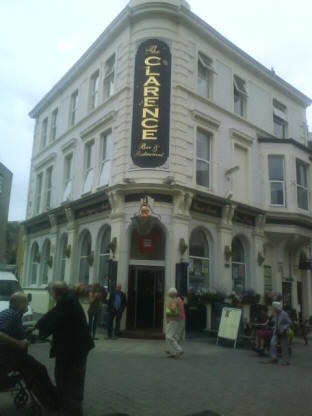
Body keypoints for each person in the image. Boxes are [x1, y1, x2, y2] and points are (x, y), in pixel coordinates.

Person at [35, 281, 94, 416]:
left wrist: (41, 332)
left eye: (52, 294)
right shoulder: (67, 300)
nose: (52, 297)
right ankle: (69, 408)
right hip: (71, 350)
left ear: (58, 293)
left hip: (74, 350)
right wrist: (37, 326)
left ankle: (72, 411)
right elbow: (53, 313)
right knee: (67, 380)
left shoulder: (68, 303)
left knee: (71, 381)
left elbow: (56, 319)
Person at [0, 292, 60, 411]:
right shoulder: (13, 316)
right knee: (39, 370)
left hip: (10, 356)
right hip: (9, 358)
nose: (28, 304)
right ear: (19, 304)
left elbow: (11, 331)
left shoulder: (8, 314)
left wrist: (24, 330)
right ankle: (54, 402)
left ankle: (53, 398)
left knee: (34, 369)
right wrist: (19, 343)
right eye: (26, 302)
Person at [268, 301, 292, 365]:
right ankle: (274, 358)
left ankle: (286, 361)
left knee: (284, 346)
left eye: (273, 307)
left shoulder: (284, 314)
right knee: (272, 343)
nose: (273, 309)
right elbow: (276, 322)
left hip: (283, 332)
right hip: (277, 331)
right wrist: (274, 327)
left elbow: (289, 323)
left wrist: (283, 329)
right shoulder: (276, 314)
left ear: (276, 307)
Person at [165, 288, 183, 358]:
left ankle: (179, 349)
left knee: (169, 336)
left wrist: (168, 307)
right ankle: (173, 352)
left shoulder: (173, 301)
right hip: (176, 320)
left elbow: (173, 309)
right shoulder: (177, 300)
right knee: (173, 335)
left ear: (170, 294)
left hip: (173, 320)